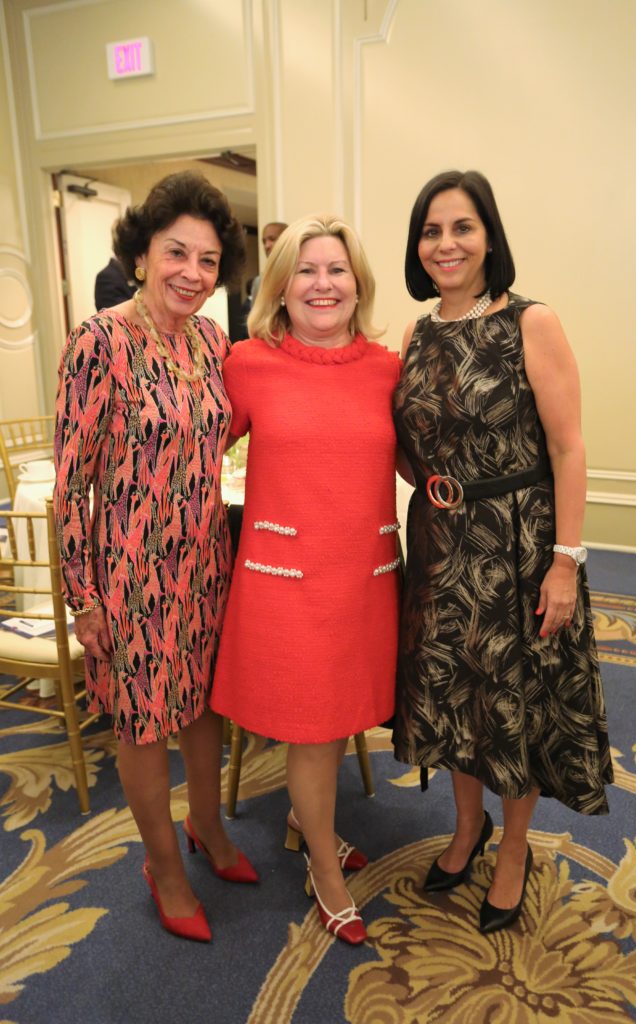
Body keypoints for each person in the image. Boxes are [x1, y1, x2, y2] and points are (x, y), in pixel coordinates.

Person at [392, 170, 613, 934]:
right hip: (439, 544)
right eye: (430, 231)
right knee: (454, 699)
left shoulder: (530, 319)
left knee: (512, 702)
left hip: (516, 544)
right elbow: (410, 444)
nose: (445, 244)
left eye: (460, 228)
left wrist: (565, 561)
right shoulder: (415, 333)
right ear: (416, 247)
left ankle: (512, 845)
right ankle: (465, 828)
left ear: (489, 236)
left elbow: (568, 446)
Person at [54, 171, 258, 944]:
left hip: (204, 559)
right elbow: (72, 483)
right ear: (142, 253)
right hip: (128, 573)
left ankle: (207, 822)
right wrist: (85, 596)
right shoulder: (98, 339)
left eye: (208, 261)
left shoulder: (212, 339)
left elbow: (221, 433)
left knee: (203, 704)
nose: (193, 274)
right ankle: (164, 864)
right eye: (177, 253)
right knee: (142, 722)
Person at [210, 215, 400, 945]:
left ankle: (302, 816)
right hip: (286, 585)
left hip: (363, 576)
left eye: (337, 270)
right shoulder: (247, 363)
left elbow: (421, 456)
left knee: (341, 715)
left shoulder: (387, 367)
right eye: (307, 270)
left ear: (358, 285)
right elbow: (190, 451)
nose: (323, 284)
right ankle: (324, 863)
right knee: (314, 728)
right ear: (280, 286)